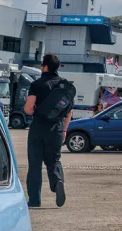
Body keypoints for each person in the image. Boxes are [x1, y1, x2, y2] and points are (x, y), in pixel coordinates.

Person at [23, 53, 73, 208]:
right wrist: (64, 130)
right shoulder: (65, 86)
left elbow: (28, 108)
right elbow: (69, 112)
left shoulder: (37, 84)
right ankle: (57, 181)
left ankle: (34, 200)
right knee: (54, 160)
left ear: (44, 66)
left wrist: (31, 110)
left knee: (35, 164)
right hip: (56, 128)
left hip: (38, 127)